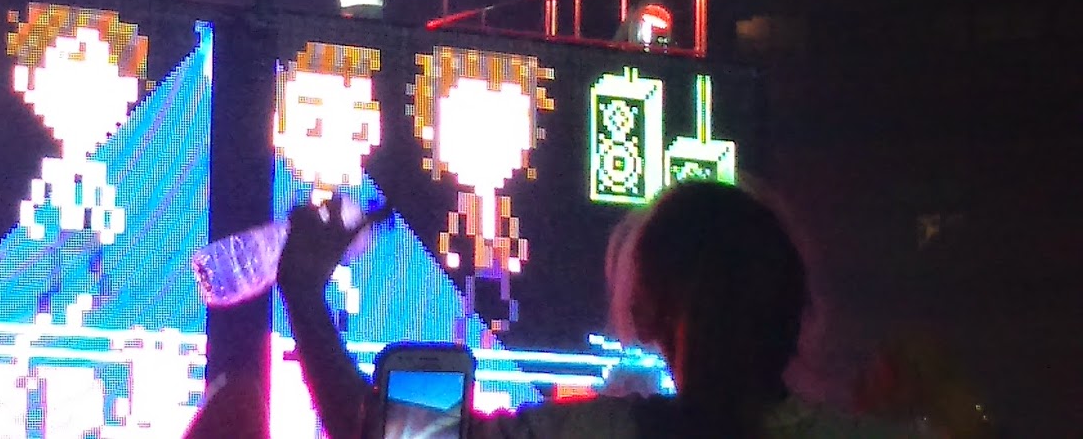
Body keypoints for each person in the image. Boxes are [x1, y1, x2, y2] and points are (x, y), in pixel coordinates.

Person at [277, 182, 946, 439]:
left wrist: (304, 292)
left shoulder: (595, 433)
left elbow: (379, 437)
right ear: (793, 307)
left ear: (647, 311)